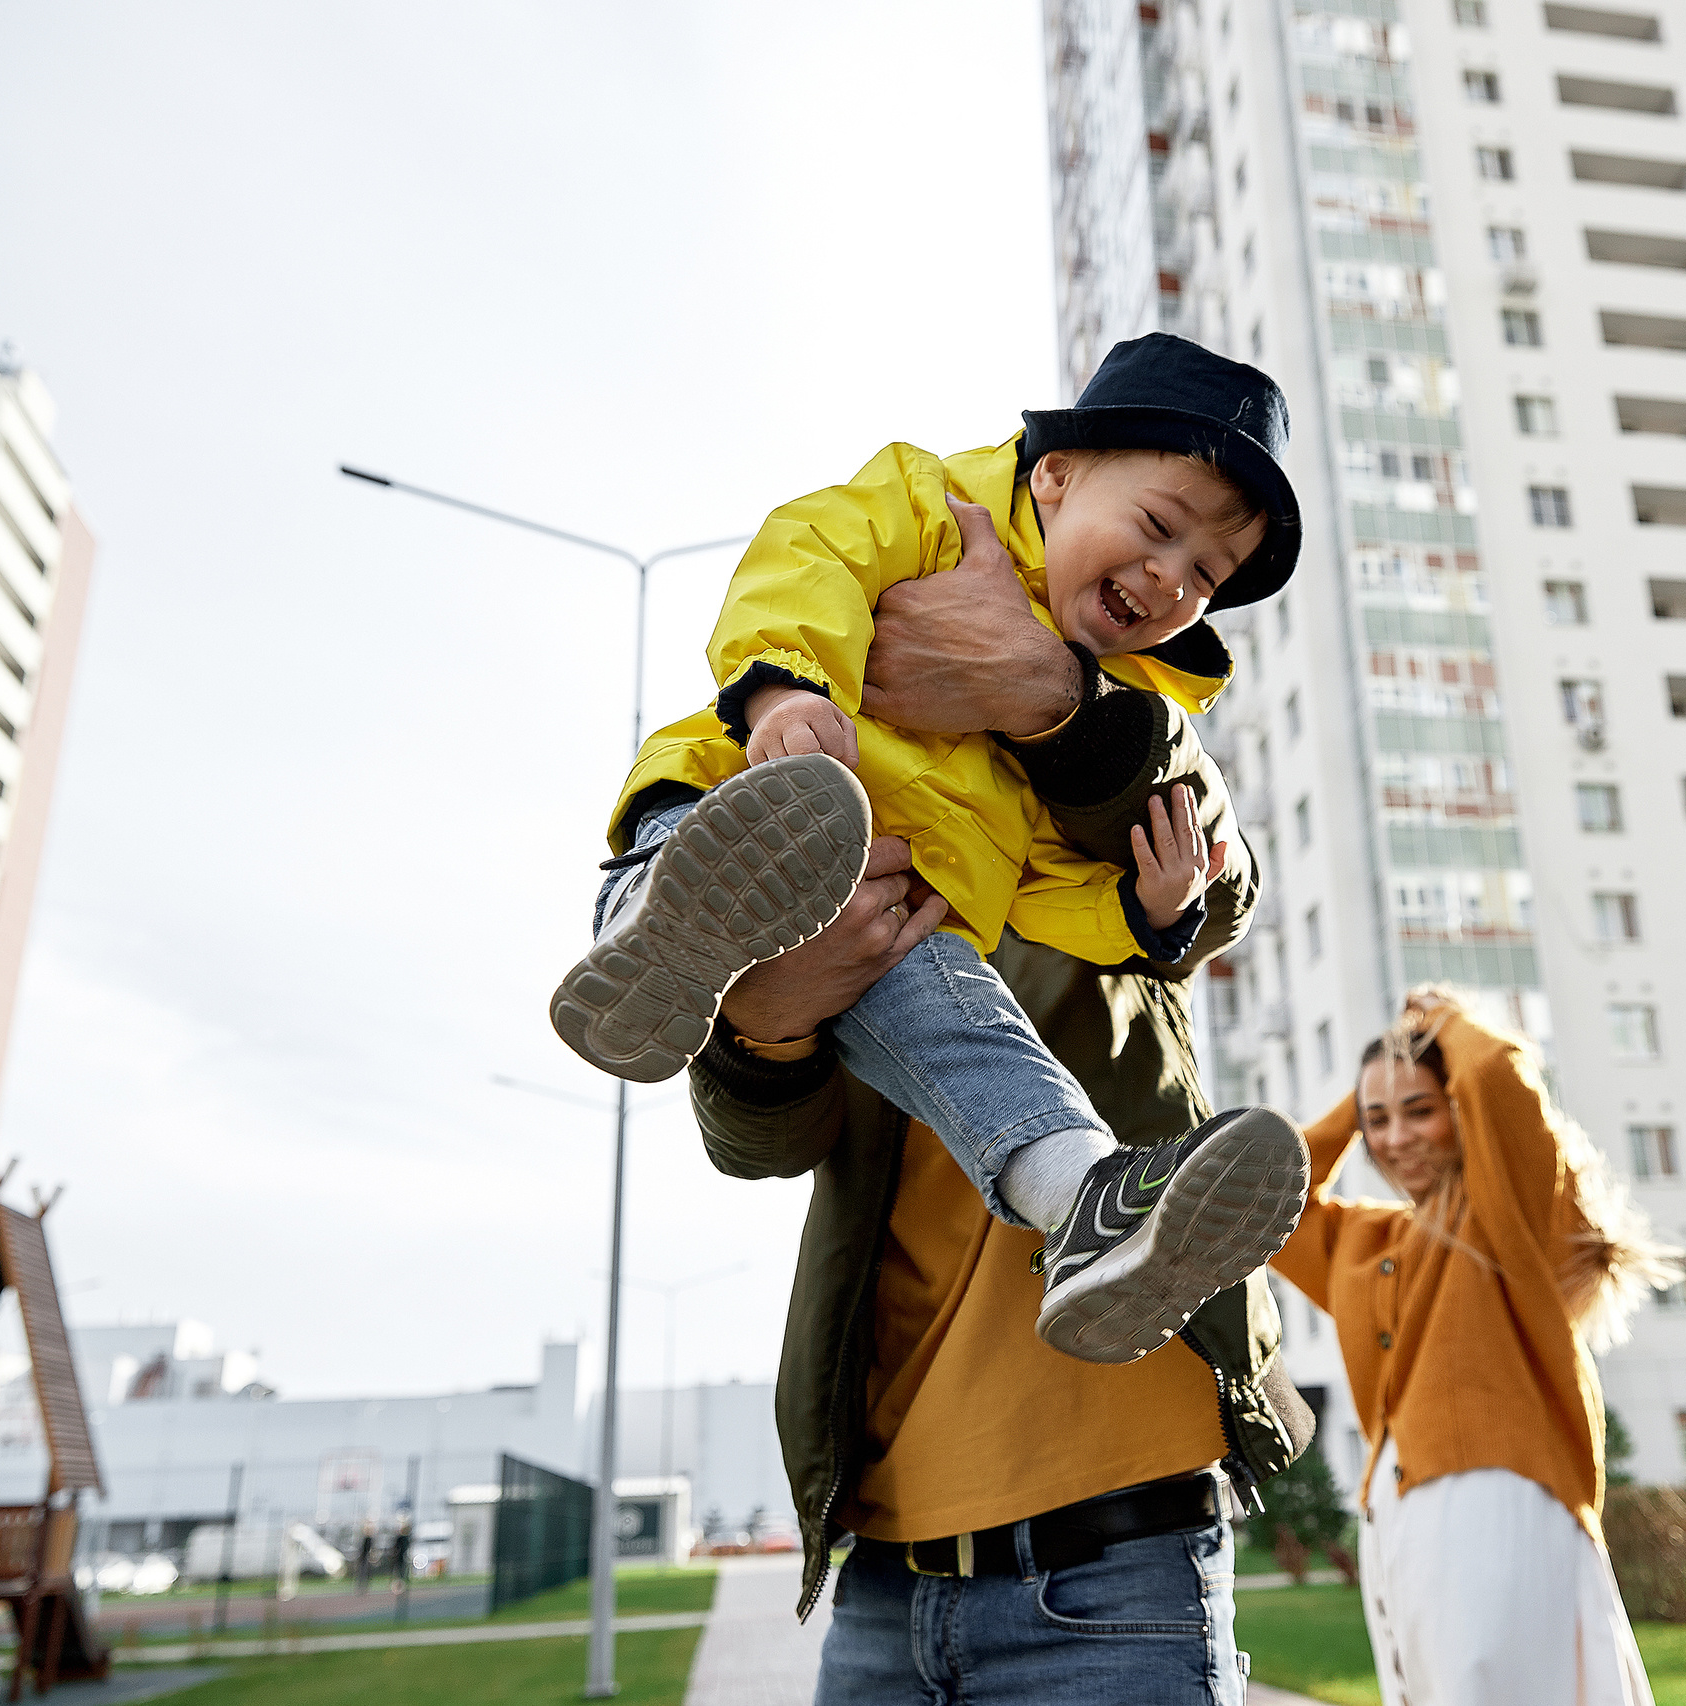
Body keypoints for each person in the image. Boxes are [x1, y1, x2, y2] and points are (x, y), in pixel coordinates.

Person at [553, 333, 1310, 1365]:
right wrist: (785, 684)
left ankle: (1089, 1201)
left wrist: (1135, 910)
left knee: (980, 1046)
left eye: (1205, 573)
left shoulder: (1135, 715)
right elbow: (811, 547)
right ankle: (655, 930)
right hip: (776, 791)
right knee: (709, 824)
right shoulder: (933, 507)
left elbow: (1052, 876)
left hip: (911, 929)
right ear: (1053, 473)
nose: (1169, 578)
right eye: (1155, 526)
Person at [686, 542, 1307, 1703]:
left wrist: (1049, 688)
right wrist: (764, 1017)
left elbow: (1211, 864)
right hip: (885, 1572)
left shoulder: (1090, 825)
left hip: (1116, 1562)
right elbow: (756, 1145)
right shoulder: (835, 856)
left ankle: (1094, 1204)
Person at [1271, 994, 1678, 1706]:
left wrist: (1439, 1027)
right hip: (1395, 1514)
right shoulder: (1367, 1241)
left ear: (1460, 1110)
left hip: (1496, 1500)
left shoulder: (1510, 1215)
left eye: (1421, 1110)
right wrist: (1374, 1088)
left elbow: (1497, 1073)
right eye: (1380, 1123)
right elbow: (1271, 1196)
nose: (1397, 1137)